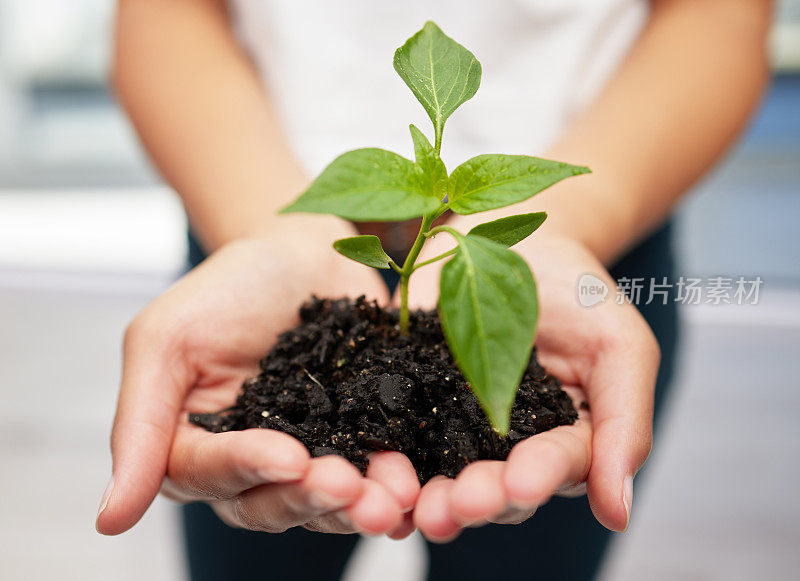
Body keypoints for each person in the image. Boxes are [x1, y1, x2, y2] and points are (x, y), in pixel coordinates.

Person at [96, 0, 771, 579]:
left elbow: (719, 15)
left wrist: (574, 219)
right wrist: (267, 228)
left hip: (583, 249)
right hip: (250, 232)